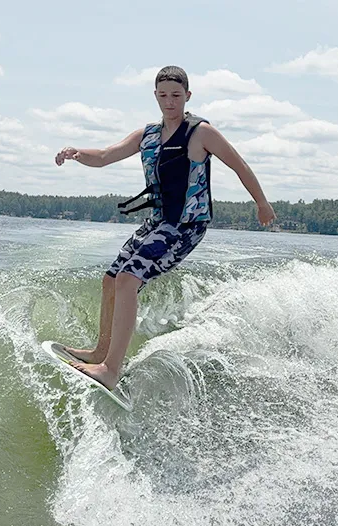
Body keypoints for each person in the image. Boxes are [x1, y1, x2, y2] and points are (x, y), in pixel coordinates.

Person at [53, 65, 276, 390]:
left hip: (186, 227)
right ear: (155, 97)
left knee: (129, 280)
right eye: (162, 95)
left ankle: (110, 371)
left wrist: (262, 203)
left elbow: (239, 164)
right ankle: (101, 352)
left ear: (187, 96)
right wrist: (76, 153)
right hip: (157, 222)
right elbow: (104, 155)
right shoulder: (148, 135)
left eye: (175, 95)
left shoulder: (201, 133)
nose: (169, 102)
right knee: (111, 280)